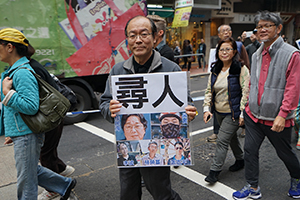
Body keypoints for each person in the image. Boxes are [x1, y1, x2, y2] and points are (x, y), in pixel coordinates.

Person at [99, 15, 197, 200]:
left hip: (158, 146)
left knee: (160, 191)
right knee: (128, 192)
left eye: (144, 34)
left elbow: (187, 103)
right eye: (132, 35)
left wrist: (189, 112)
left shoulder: (171, 69)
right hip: (128, 146)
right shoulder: (118, 71)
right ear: (127, 40)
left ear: (155, 38)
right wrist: (109, 110)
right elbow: (104, 103)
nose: (138, 40)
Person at [0, 28, 76, 200]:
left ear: (9, 47)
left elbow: (31, 106)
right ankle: (63, 184)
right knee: (29, 170)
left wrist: (7, 93)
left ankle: (62, 185)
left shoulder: (22, 73)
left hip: (27, 133)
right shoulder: (13, 70)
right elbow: (14, 110)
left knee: (26, 181)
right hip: (22, 132)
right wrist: (11, 131)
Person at [233, 11, 300, 199]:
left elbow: (293, 88)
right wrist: (246, 107)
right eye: (259, 26)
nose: (262, 29)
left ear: (278, 29)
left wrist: (283, 113)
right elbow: (253, 82)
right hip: (253, 114)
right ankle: (252, 187)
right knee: (249, 150)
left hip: (276, 117)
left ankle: (297, 178)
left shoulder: (292, 54)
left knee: (285, 153)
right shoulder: (256, 53)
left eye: (267, 26)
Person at [25, 44, 76, 200]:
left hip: (49, 117)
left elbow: (33, 102)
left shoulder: (31, 69)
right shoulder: (33, 65)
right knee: (49, 149)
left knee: (45, 153)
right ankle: (61, 169)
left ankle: (53, 189)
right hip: (53, 115)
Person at [203, 37, 250, 184]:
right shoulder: (215, 69)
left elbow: (246, 92)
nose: (224, 52)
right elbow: (209, 91)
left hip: (233, 113)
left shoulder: (240, 69)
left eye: (228, 49)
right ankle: (240, 159)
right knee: (232, 138)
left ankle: (214, 171)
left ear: (234, 51)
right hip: (218, 112)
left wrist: (242, 112)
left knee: (222, 140)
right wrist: (206, 108)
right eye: (221, 49)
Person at [206, 24, 250, 143]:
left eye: (228, 30)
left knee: (224, 138)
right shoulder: (216, 48)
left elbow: (245, 63)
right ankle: (217, 132)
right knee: (217, 105)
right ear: (219, 34)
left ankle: (242, 127)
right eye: (223, 31)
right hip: (220, 79)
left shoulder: (239, 45)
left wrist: (245, 76)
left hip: (236, 81)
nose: (226, 32)